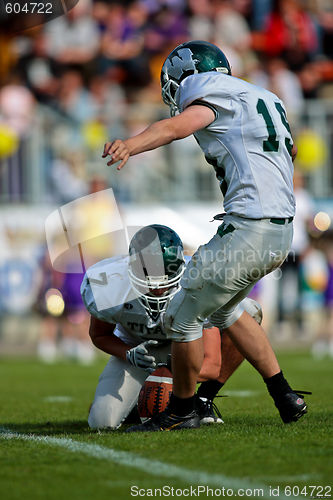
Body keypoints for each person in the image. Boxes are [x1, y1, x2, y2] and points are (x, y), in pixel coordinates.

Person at [102, 41, 309, 431]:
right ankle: (285, 395)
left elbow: (179, 126)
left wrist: (131, 144)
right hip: (280, 231)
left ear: (186, 74)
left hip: (249, 225)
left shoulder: (206, 91)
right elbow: (291, 151)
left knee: (182, 318)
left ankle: (183, 410)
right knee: (224, 311)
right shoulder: (263, 95)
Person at [81, 224, 262, 429]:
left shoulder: (197, 279)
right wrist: (128, 353)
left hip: (184, 348)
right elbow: (99, 335)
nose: (157, 288)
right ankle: (139, 405)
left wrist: (168, 374)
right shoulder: (113, 283)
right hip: (136, 351)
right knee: (101, 422)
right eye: (148, 277)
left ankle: (202, 400)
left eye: (165, 279)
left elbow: (211, 364)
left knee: (247, 311)